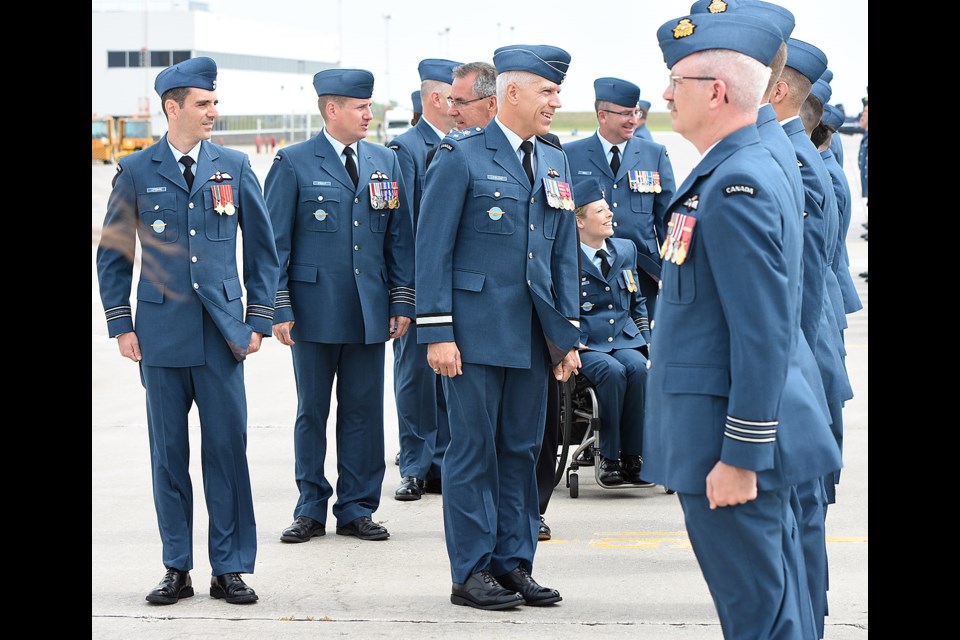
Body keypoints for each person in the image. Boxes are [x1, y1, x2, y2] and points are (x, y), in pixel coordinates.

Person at [643, 13, 842, 639]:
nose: (667, 94)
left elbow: (763, 333)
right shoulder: (748, 161)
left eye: (677, 80)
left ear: (718, 90)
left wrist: (742, 456)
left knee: (760, 619)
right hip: (734, 435)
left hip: (726, 444)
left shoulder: (736, 183)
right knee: (776, 608)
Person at [96, 56, 280, 606]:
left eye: (215, 102)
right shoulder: (136, 170)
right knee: (168, 455)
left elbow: (264, 252)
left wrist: (259, 319)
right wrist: (121, 324)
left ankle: (230, 567)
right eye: (203, 103)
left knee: (227, 452)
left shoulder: (235, 165)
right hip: (161, 335)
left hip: (223, 334)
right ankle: (176, 565)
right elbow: (114, 254)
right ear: (172, 108)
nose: (213, 113)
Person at [416, 43, 582, 611]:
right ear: (512, 92)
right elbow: (430, 248)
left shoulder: (556, 162)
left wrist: (566, 337)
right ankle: (470, 571)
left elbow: (563, 256)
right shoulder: (461, 155)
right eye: (547, 91)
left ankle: (513, 564)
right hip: (473, 335)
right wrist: (437, 331)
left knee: (522, 449)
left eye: (557, 91)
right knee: (473, 453)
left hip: (533, 338)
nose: (555, 102)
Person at [265, 68, 415, 544]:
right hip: (312, 309)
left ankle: (356, 507)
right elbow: (274, 245)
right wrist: (279, 305)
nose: (369, 114)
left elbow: (399, 238)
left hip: (369, 310)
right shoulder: (292, 162)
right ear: (332, 110)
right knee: (313, 410)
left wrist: (401, 298)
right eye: (360, 107)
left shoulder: (383, 162)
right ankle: (310, 506)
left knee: (364, 412)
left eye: (370, 106)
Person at [387, 58, 461, 502]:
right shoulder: (405, 150)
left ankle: (448, 461)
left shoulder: (470, 144)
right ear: (436, 98)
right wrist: (403, 293)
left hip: (459, 285)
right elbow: (400, 230)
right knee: (415, 379)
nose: (459, 107)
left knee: (453, 376)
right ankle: (416, 465)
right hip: (416, 285)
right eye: (453, 98)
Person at [564, 77, 675, 321]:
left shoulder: (654, 154)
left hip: (645, 271)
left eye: (635, 112)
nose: (634, 120)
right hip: (589, 270)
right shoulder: (569, 154)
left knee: (645, 343)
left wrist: (670, 269)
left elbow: (668, 218)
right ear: (603, 115)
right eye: (626, 113)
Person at [572, 178, 652, 487]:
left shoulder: (625, 249)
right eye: (600, 211)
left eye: (608, 209)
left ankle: (635, 457)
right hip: (586, 344)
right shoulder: (566, 255)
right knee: (613, 372)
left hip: (624, 337)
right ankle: (609, 457)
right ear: (580, 220)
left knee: (639, 368)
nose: (609, 215)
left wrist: (646, 341)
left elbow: (638, 301)